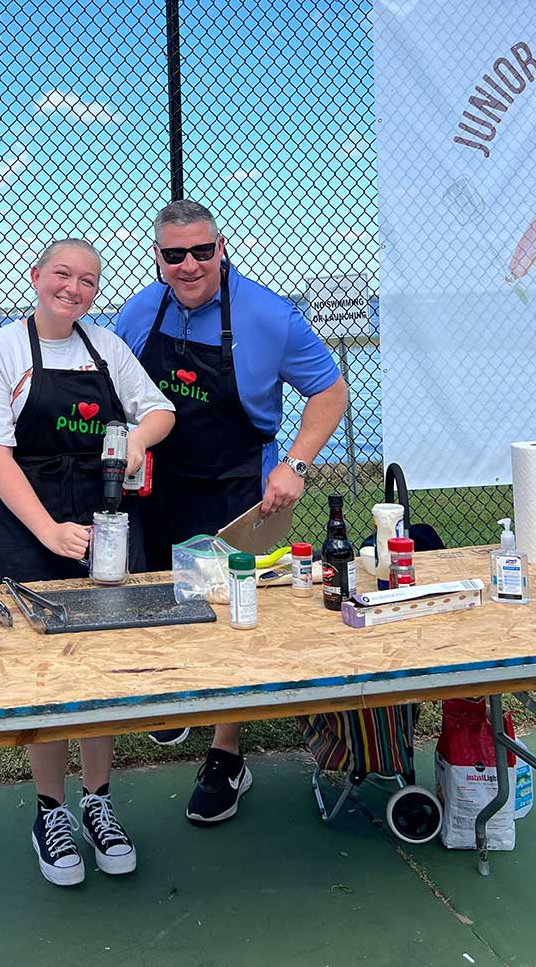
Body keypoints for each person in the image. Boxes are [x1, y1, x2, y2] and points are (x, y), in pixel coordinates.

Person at [116, 200, 347, 824]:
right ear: (158, 258)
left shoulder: (269, 315)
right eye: (174, 254)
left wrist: (295, 465)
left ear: (222, 249)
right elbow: (115, 393)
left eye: (202, 250)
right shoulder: (139, 312)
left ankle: (226, 753)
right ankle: (174, 698)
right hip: (159, 489)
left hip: (235, 489)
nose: (189, 265)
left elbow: (330, 391)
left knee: (227, 620)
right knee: (161, 603)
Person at [0, 238, 175, 886]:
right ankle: (50, 811)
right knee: (46, 674)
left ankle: (98, 802)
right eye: (62, 274)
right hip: (29, 523)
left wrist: (135, 440)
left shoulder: (105, 348)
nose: (73, 288)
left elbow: (160, 410)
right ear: (36, 276)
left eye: (87, 280)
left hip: (104, 519)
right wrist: (49, 532)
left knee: (102, 666)